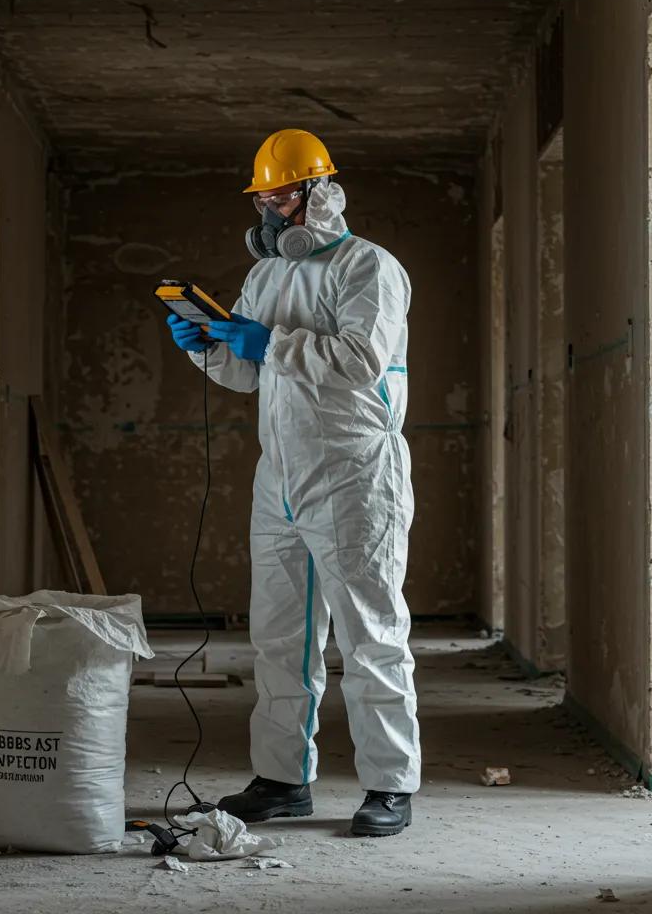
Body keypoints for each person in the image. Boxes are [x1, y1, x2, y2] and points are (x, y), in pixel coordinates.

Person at [164, 129, 420, 837]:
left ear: (319, 192)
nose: (270, 208)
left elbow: (362, 358)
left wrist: (267, 341)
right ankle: (282, 780)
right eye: (262, 196)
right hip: (279, 469)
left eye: (281, 194)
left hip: (353, 469)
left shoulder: (369, 268)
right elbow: (251, 374)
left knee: (369, 634)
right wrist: (209, 348)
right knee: (279, 637)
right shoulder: (265, 276)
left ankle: (390, 787)